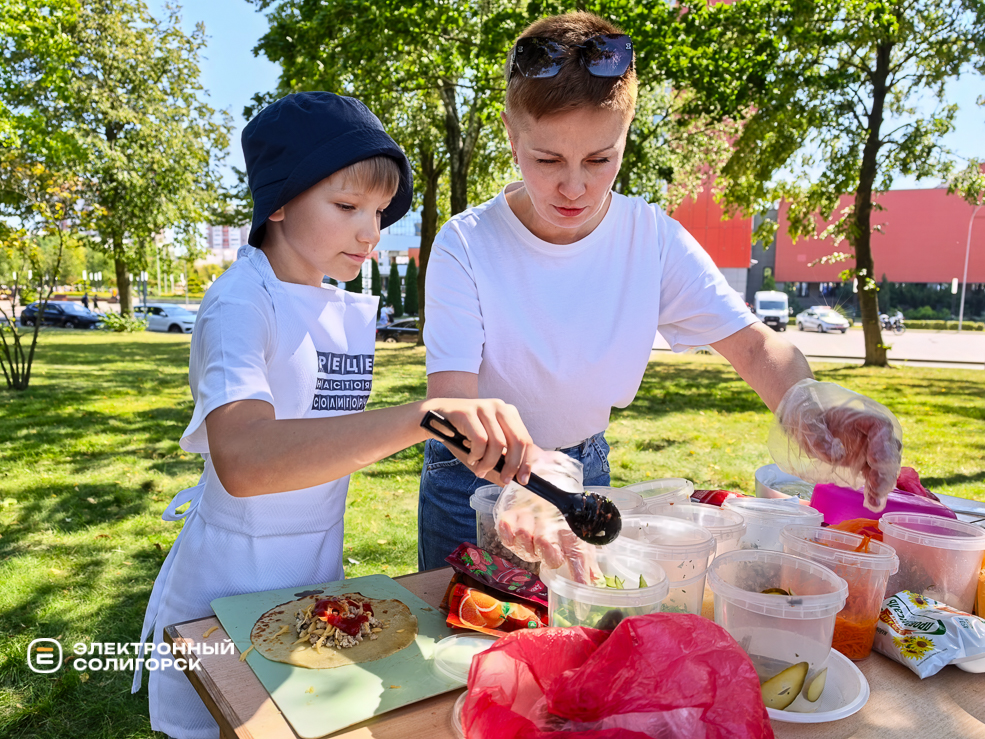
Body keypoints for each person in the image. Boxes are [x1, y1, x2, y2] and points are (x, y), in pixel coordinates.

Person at [418, 12, 902, 571]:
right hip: (472, 478)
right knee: (456, 638)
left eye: (601, 160)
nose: (574, 187)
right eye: (547, 159)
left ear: (625, 136)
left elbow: (752, 345)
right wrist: (527, 474)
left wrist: (809, 405)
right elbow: (452, 403)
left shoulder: (650, 238)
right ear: (510, 133)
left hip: (584, 467)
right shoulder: (466, 243)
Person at [132, 92, 538, 739]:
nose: (369, 230)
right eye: (347, 207)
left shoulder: (335, 303)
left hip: (313, 585)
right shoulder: (238, 303)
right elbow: (243, 458)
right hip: (225, 591)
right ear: (281, 202)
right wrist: (422, 416)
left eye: (377, 211)